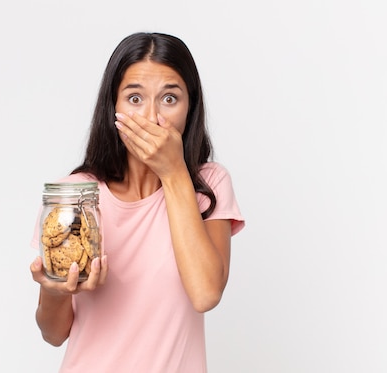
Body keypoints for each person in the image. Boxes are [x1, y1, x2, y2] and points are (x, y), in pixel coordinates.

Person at [30, 32, 245, 373]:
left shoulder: (209, 185)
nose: (151, 117)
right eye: (134, 98)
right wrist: (55, 292)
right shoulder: (76, 195)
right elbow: (54, 334)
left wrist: (174, 173)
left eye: (170, 99)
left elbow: (206, 294)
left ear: (190, 107)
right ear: (112, 106)